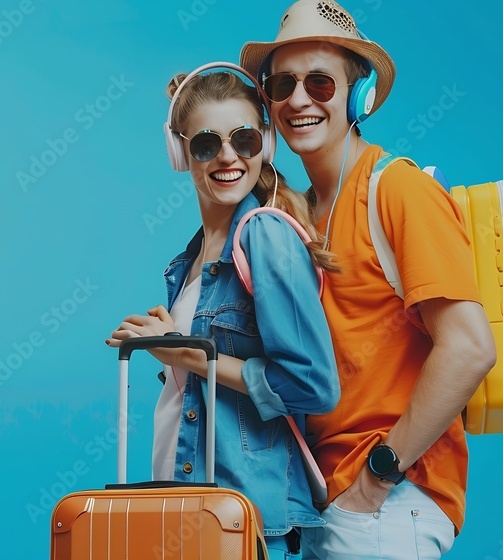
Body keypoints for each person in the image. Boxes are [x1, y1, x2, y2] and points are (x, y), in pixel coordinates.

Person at [239, 1, 497, 558]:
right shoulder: (300, 214)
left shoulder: (396, 190)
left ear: (359, 95)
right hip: (326, 505)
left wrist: (376, 479)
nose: (299, 99)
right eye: (282, 84)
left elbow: (471, 347)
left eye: (320, 83)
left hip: (385, 504)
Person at [105, 64, 341, 559]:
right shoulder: (189, 261)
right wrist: (171, 351)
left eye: (245, 139)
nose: (228, 157)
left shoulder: (264, 236)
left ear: (266, 144)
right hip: (182, 503)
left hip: (240, 516)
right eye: (207, 144)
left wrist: (185, 354)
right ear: (179, 152)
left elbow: (313, 384)